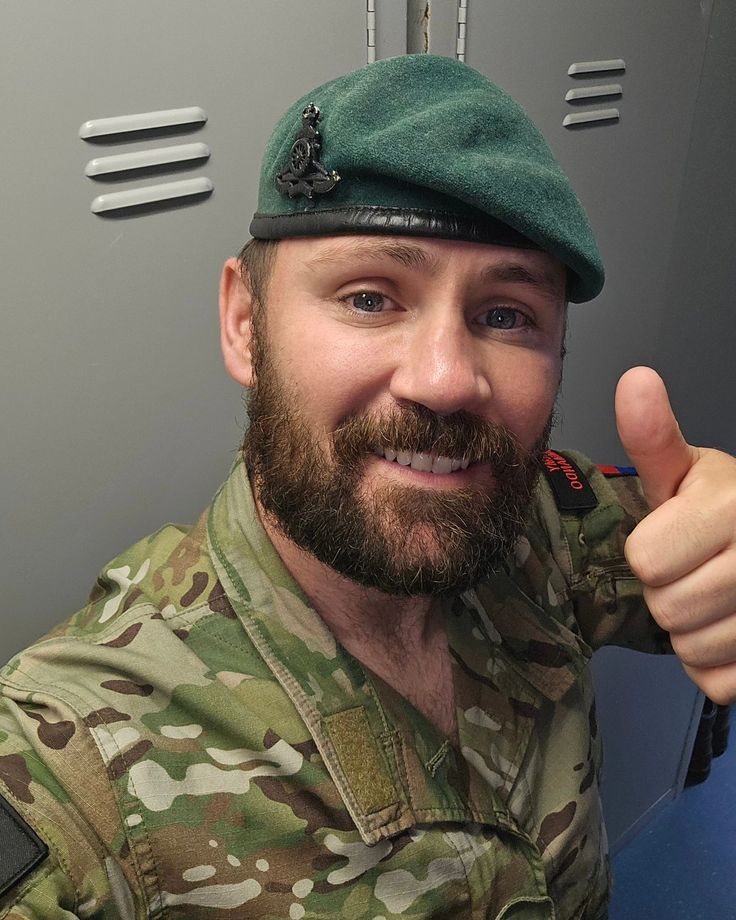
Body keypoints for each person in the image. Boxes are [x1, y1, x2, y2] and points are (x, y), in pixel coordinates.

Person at [1, 54, 735, 920]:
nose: (446, 379)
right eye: (369, 297)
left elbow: (695, 542)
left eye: (507, 315)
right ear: (246, 325)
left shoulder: (539, 520)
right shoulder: (77, 768)